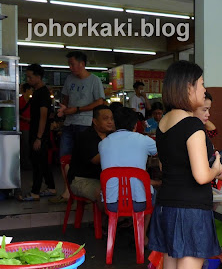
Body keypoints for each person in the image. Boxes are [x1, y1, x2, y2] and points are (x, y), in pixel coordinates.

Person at [147, 60, 222, 269]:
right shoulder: (193, 125)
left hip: (166, 206)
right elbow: (201, 175)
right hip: (189, 211)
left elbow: (170, 166)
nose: (204, 90)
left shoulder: (164, 123)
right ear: (187, 87)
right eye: (201, 84)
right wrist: (217, 168)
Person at [52, 51, 106, 203]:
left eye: (72, 64)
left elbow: (100, 102)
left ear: (82, 64)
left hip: (86, 124)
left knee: (86, 158)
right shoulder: (69, 79)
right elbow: (66, 98)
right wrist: (64, 109)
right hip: (69, 123)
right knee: (64, 156)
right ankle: (67, 190)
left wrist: (77, 109)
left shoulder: (94, 80)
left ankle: (85, 189)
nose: (70, 67)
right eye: (69, 64)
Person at [99, 107, 157, 244]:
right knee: (153, 194)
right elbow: (158, 152)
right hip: (140, 203)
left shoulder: (103, 143)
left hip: (111, 203)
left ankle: (115, 227)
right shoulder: (144, 140)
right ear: (135, 125)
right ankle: (142, 236)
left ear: (115, 123)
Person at [18, 65, 56, 201]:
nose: (28, 80)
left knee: (38, 162)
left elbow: (43, 117)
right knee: (43, 162)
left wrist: (39, 138)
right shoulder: (37, 92)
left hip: (39, 134)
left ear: (38, 77)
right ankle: (51, 187)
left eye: (30, 77)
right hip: (37, 132)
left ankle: (35, 192)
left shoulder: (43, 93)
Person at [67, 105, 115, 210]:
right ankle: (110, 218)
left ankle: (121, 216)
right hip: (81, 180)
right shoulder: (86, 136)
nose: (110, 122)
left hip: (103, 179)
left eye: (111, 119)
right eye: (105, 119)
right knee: (106, 193)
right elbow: (96, 160)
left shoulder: (112, 136)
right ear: (95, 121)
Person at [19, 83, 33, 170]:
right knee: (24, 146)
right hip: (22, 126)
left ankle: (27, 162)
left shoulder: (32, 101)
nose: (32, 92)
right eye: (31, 90)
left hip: (30, 127)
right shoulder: (19, 100)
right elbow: (16, 114)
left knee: (28, 145)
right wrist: (25, 119)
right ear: (27, 90)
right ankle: (24, 163)